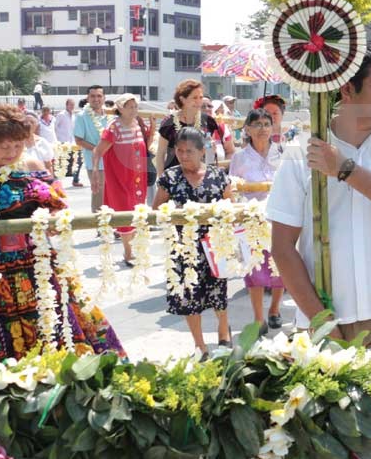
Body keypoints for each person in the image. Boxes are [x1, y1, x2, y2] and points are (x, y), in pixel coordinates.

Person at [268, 47, 371, 346]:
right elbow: (282, 247)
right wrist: (321, 321)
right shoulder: (302, 152)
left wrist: (344, 168)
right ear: (346, 89)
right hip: (322, 320)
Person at [0, 104, 125, 359]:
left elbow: (57, 203)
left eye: (17, 145)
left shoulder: (31, 164)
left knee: (52, 320)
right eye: (3, 146)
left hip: (35, 261)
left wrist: (55, 220)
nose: (11, 152)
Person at [153, 128, 233, 355]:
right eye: (179, 151)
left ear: (202, 151)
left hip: (213, 245)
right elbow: (156, 209)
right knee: (189, 295)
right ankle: (199, 345)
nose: (183, 155)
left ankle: (223, 331)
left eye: (189, 151)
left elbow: (231, 206)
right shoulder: (170, 178)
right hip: (183, 247)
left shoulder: (218, 176)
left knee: (218, 290)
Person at [230, 109, 285, 334]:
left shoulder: (282, 152)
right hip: (252, 220)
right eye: (257, 124)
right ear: (248, 129)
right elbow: (232, 189)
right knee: (254, 268)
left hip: (280, 217)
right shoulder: (239, 157)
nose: (263, 129)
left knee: (280, 265)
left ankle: (274, 309)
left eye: (266, 124)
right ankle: (258, 318)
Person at [92, 94, 152, 266]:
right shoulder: (114, 127)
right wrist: (95, 171)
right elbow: (98, 150)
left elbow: (144, 147)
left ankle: (135, 249)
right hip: (120, 178)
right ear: (120, 108)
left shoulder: (137, 124)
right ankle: (128, 252)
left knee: (137, 210)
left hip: (137, 176)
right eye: (129, 106)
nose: (134, 110)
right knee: (125, 210)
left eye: (135, 106)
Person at [158, 79, 233, 179]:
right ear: (182, 99)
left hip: (201, 178)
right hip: (174, 178)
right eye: (194, 97)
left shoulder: (208, 121)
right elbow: (161, 153)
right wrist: (161, 178)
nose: (199, 101)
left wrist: (211, 149)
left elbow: (209, 150)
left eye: (200, 97)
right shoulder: (169, 123)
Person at [73, 85, 108, 211]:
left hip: (112, 162)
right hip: (96, 164)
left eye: (99, 96)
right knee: (99, 195)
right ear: (87, 98)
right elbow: (78, 140)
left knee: (112, 195)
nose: (96, 99)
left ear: (104, 98)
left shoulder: (110, 115)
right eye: (92, 96)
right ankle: (99, 222)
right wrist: (99, 149)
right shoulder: (82, 116)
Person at [54, 99, 80, 187]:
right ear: (66, 105)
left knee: (72, 158)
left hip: (71, 140)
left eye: (73, 105)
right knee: (62, 159)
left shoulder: (74, 115)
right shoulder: (61, 114)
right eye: (70, 105)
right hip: (62, 140)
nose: (72, 106)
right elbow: (55, 126)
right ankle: (59, 177)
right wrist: (57, 137)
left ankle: (71, 175)